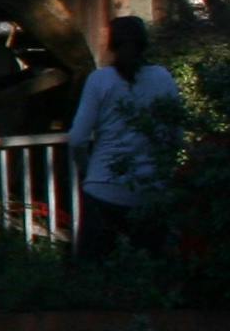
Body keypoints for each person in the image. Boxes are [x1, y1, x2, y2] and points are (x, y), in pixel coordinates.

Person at [66, 15, 180, 266]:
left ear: (111, 45)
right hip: (150, 189)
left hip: (103, 188)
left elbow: (77, 139)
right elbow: (175, 133)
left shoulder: (100, 81)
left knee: (92, 273)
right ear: (145, 44)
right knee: (153, 268)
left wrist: (87, 170)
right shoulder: (163, 78)